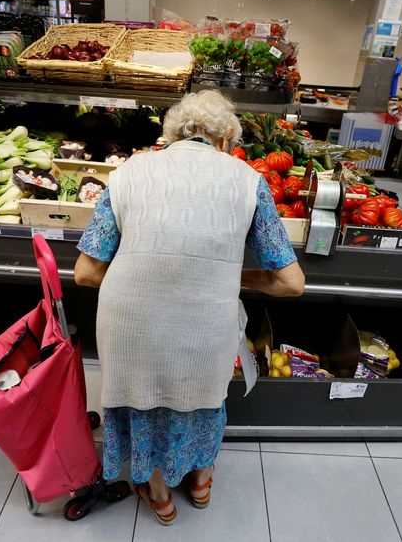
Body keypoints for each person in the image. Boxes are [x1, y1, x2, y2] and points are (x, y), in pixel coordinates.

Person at [74, 89, 305, 525]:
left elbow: (86, 273)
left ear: (173, 134)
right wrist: (224, 275)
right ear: (224, 141)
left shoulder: (128, 173)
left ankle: (158, 492)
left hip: (130, 324)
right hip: (204, 324)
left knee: (143, 401)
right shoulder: (247, 179)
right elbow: (290, 283)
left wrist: (148, 277)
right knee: (200, 399)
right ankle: (199, 483)